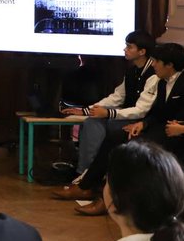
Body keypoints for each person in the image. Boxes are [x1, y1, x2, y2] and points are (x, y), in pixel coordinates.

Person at [67, 43, 184, 216]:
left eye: (157, 61)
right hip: (162, 129)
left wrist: (152, 127)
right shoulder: (162, 82)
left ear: (170, 65)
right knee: (116, 135)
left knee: (130, 148)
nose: (153, 65)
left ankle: (111, 200)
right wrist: (142, 124)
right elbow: (157, 113)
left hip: (182, 135)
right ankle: (87, 186)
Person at [57, 31, 157, 184]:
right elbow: (117, 97)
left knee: (109, 124)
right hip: (125, 115)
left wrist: (108, 113)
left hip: (142, 120)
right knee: (91, 121)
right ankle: (85, 172)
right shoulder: (132, 71)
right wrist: (87, 110)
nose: (125, 50)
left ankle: (92, 176)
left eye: (129, 47)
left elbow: (141, 109)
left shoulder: (154, 74)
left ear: (142, 52)